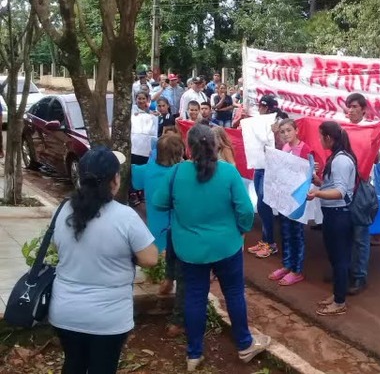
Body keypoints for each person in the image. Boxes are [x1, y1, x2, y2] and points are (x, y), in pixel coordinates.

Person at [154, 124, 270, 371]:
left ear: (188, 148)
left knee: (195, 297)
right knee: (234, 294)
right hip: (227, 246)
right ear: (216, 145)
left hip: (190, 250)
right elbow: (246, 211)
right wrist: (239, 231)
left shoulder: (176, 173)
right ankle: (244, 345)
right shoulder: (228, 173)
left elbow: (159, 203)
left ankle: (194, 354)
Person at [49, 146, 158, 374]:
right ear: (114, 181)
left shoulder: (61, 211)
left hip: (64, 312)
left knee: (73, 365)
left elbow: (57, 246)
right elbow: (150, 258)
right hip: (108, 318)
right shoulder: (125, 216)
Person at [133, 134, 186, 337]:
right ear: (179, 153)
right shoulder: (181, 172)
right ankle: (177, 316)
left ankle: (164, 281)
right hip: (179, 226)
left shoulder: (148, 169)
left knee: (161, 254)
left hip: (156, 226)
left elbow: (134, 178)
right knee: (180, 264)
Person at [307, 121, 356, 316]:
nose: (319, 140)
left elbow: (340, 192)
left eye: (321, 136)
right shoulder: (336, 158)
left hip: (339, 215)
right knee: (336, 259)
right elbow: (331, 186)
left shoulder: (340, 161)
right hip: (333, 214)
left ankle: (339, 302)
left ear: (328, 138)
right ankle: (337, 295)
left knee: (340, 259)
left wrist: (316, 194)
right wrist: (317, 181)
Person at [268, 119, 313, 286]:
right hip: (284, 198)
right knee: (286, 232)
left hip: (297, 199)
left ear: (296, 130)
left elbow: (308, 174)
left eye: (288, 130)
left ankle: (297, 270)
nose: (286, 134)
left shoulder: (305, 149)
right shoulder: (285, 148)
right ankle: (287, 265)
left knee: (297, 234)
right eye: (282, 131)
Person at [247, 95, 284, 259]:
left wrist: (277, 132)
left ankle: (271, 243)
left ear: (268, 107)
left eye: (261, 106)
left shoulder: (281, 121)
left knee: (264, 201)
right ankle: (265, 239)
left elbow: (285, 145)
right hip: (260, 165)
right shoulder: (259, 121)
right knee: (262, 204)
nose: (259, 109)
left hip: (272, 167)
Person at [344, 92, 373, 295]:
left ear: (363, 109)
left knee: (360, 236)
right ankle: (346, 270)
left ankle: (360, 277)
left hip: (361, 188)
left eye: (355, 106)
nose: (352, 110)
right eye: (349, 106)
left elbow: (378, 159)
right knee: (345, 234)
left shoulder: (370, 130)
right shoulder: (343, 129)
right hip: (343, 188)